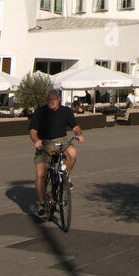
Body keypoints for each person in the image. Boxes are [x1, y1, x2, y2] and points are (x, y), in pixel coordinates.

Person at [30, 88, 84, 217]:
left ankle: (65, 177)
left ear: (59, 99)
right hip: (45, 143)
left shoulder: (66, 111)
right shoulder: (40, 112)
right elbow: (33, 131)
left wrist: (79, 134)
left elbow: (75, 127)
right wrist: (36, 140)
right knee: (40, 173)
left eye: (54, 99)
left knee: (72, 152)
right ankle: (42, 204)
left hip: (62, 141)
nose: (51, 102)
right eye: (49, 100)